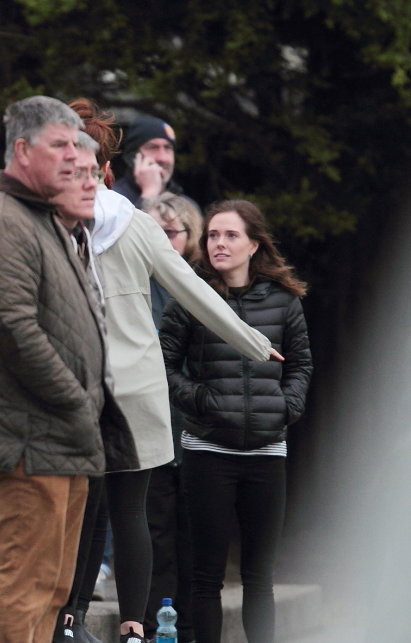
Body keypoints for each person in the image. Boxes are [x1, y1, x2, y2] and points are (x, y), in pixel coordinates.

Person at [58, 100, 277, 643]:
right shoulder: (136, 224)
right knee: (130, 510)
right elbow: (194, 290)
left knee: (80, 510)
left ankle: (71, 617)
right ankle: (135, 627)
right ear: (111, 166)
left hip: (77, 380)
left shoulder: (52, 218)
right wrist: (253, 342)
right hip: (137, 385)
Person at [0, 96, 137, 643]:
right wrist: (78, 401)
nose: (73, 158)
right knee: (24, 589)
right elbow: (13, 330)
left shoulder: (48, 222)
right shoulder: (3, 224)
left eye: (78, 150)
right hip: (27, 439)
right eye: (59, 145)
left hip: (60, 437)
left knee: (52, 590)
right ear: (21, 149)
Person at [160, 200, 312, 643]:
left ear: (253, 245)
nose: (219, 244)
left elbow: (301, 365)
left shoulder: (284, 301)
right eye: (212, 235)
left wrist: (284, 407)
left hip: (267, 452)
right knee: (207, 576)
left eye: (230, 235)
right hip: (208, 450)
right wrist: (201, 400)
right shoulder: (190, 294)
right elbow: (163, 363)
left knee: (259, 577)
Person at [140, 191, 203, 642]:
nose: (162, 240)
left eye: (170, 232)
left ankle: (191, 622)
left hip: (196, 422)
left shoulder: (200, 283)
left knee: (193, 529)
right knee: (154, 528)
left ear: (189, 236)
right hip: (148, 420)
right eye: (154, 232)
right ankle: (153, 622)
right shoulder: (136, 279)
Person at [112, 114, 181, 208]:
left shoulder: (184, 203)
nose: (163, 158)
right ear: (132, 156)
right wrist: (149, 195)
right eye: (153, 147)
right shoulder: (113, 200)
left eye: (168, 148)